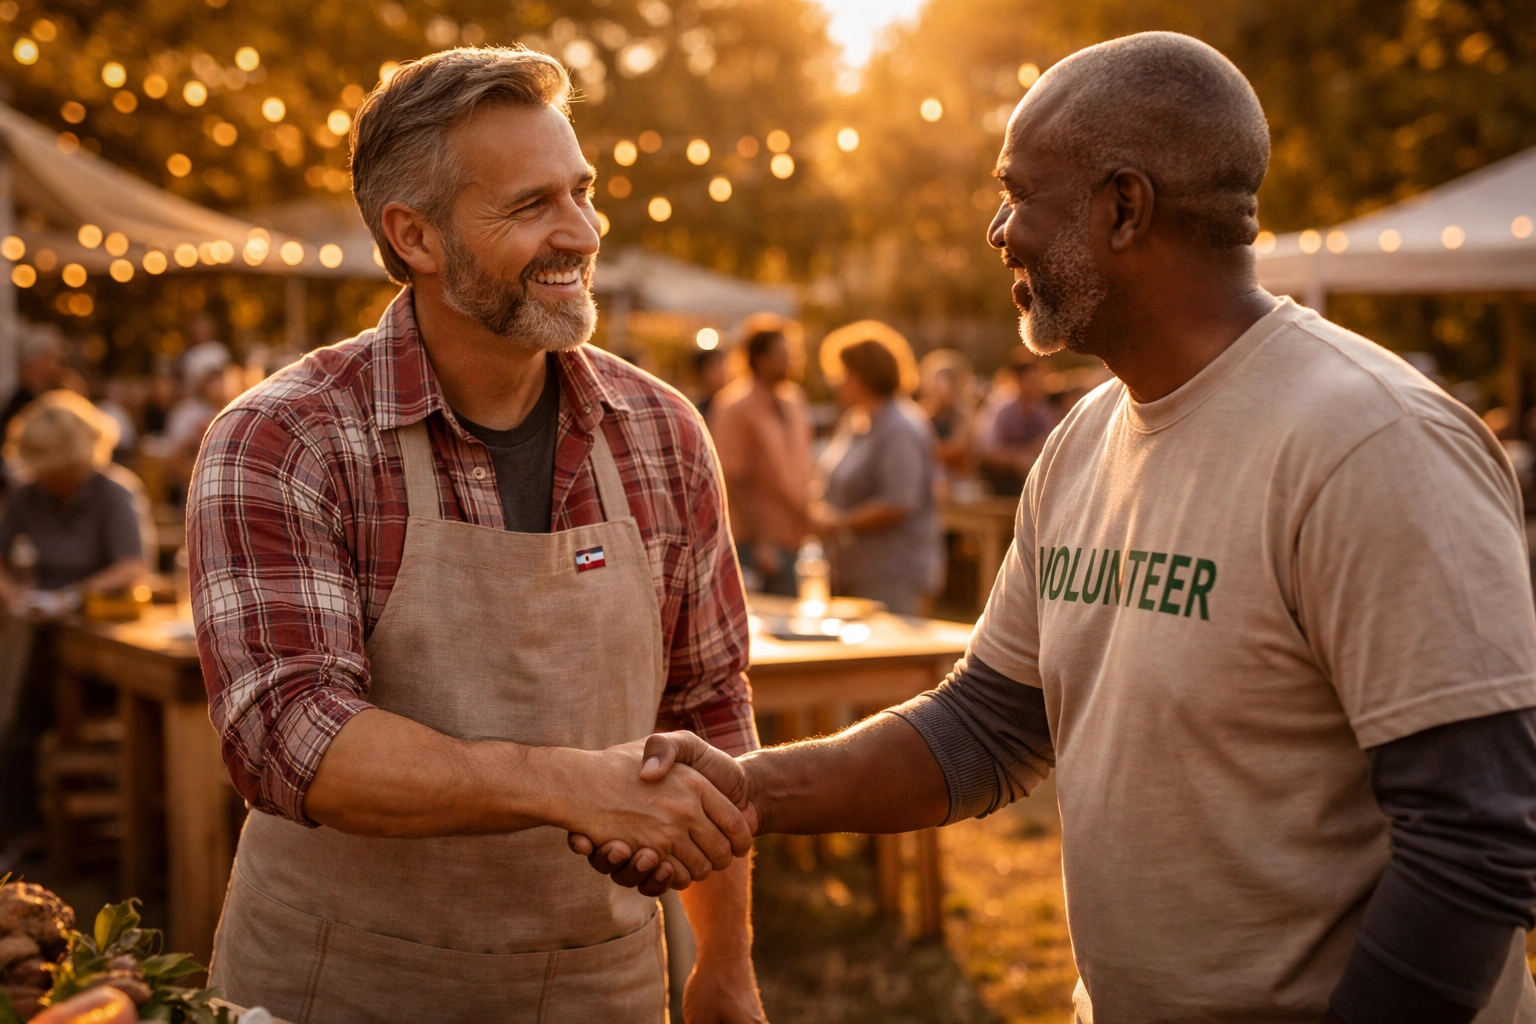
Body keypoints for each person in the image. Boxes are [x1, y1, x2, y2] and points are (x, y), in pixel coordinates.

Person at [580, 32, 1536, 1024]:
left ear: (1122, 207)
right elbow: (987, 727)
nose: (999, 230)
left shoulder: (1370, 442)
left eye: (1018, 191)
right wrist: (743, 789)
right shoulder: (1086, 437)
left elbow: (1475, 839)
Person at [186, 47, 764, 1024]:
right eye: (531, 205)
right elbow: (293, 739)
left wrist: (727, 958)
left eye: (580, 193)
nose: (578, 232)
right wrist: (568, 785)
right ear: (414, 234)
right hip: (339, 982)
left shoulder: (662, 432)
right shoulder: (286, 438)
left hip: (598, 982)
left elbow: (708, 708)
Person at [0, 389, 147, 844]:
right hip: (31, 630)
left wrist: (71, 596)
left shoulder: (114, 493)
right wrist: (11, 595)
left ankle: (25, 829)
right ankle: (24, 827)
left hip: (94, 631)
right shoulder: (27, 496)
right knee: (17, 704)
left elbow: (132, 567)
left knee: (19, 710)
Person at [811, 321, 941, 615]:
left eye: (843, 374)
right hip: (853, 569)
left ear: (863, 375)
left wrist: (838, 522)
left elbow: (898, 502)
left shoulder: (900, 427)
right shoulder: (856, 421)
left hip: (891, 571)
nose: (836, 382)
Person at [708, 319, 813, 596]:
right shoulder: (735, 406)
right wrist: (763, 540)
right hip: (757, 544)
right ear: (760, 359)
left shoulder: (793, 400)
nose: (790, 361)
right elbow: (732, 478)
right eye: (782, 355)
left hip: (794, 537)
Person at [976, 346, 1056, 495]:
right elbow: (989, 451)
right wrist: (1019, 458)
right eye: (1032, 381)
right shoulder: (1000, 407)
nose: (1038, 385)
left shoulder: (1042, 410)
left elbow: (1050, 443)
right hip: (1000, 481)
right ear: (1018, 381)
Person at [917, 348, 976, 487]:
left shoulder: (963, 415)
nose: (940, 389)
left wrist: (924, 451)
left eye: (945, 384)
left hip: (958, 480)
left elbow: (957, 448)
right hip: (931, 477)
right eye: (936, 383)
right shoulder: (925, 413)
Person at [0, 324, 65, 446]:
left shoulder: (62, 397)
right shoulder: (17, 405)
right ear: (34, 363)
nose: (57, 367)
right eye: (52, 359)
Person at [692, 347, 729, 419]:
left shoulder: (733, 405)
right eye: (716, 367)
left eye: (724, 366)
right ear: (702, 373)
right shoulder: (696, 411)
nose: (723, 372)